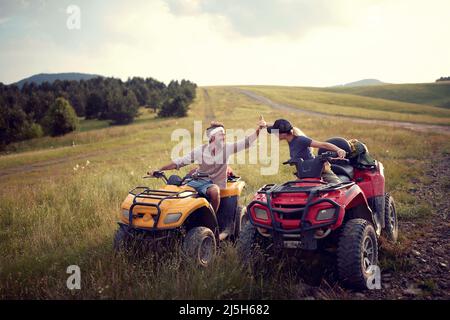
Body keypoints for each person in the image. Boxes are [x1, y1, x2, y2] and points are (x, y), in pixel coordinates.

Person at [148, 117, 267, 214]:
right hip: (197, 181)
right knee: (180, 195)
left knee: (214, 191)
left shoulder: (227, 148)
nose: (224, 137)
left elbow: (246, 142)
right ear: (213, 137)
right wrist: (159, 169)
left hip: (213, 183)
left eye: (224, 135)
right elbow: (179, 162)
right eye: (221, 135)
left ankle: (211, 218)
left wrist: (259, 129)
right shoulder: (200, 150)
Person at [266, 119, 346, 183]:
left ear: (283, 134)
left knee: (339, 189)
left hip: (320, 172)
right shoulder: (290, 139)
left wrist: (339, 150)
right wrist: (265, 125)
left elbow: (323, 145)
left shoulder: (300, 140)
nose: (273, 134)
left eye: (275, 132)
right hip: (306, 175)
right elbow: (277, 128)